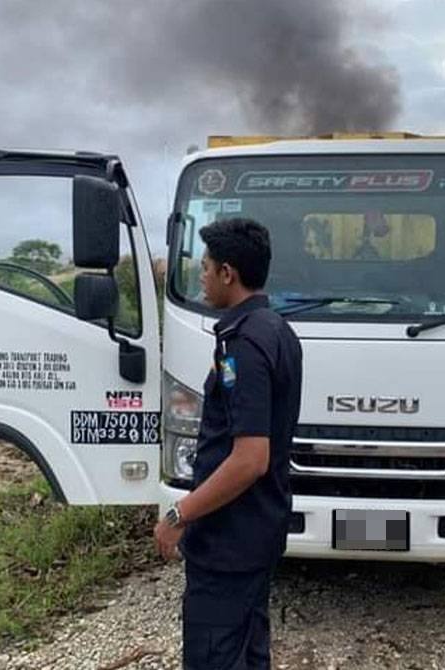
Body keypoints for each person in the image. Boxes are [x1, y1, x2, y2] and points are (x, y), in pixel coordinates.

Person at [153, 218, 303, 669]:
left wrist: (180, 513)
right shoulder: (276, 330)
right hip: (252, 536)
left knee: (214, 656)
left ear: (227, 273)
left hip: (230, 542)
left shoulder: (246, 344)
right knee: (247, 653)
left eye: (205, 267)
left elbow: (250, 459)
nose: (200, 276)